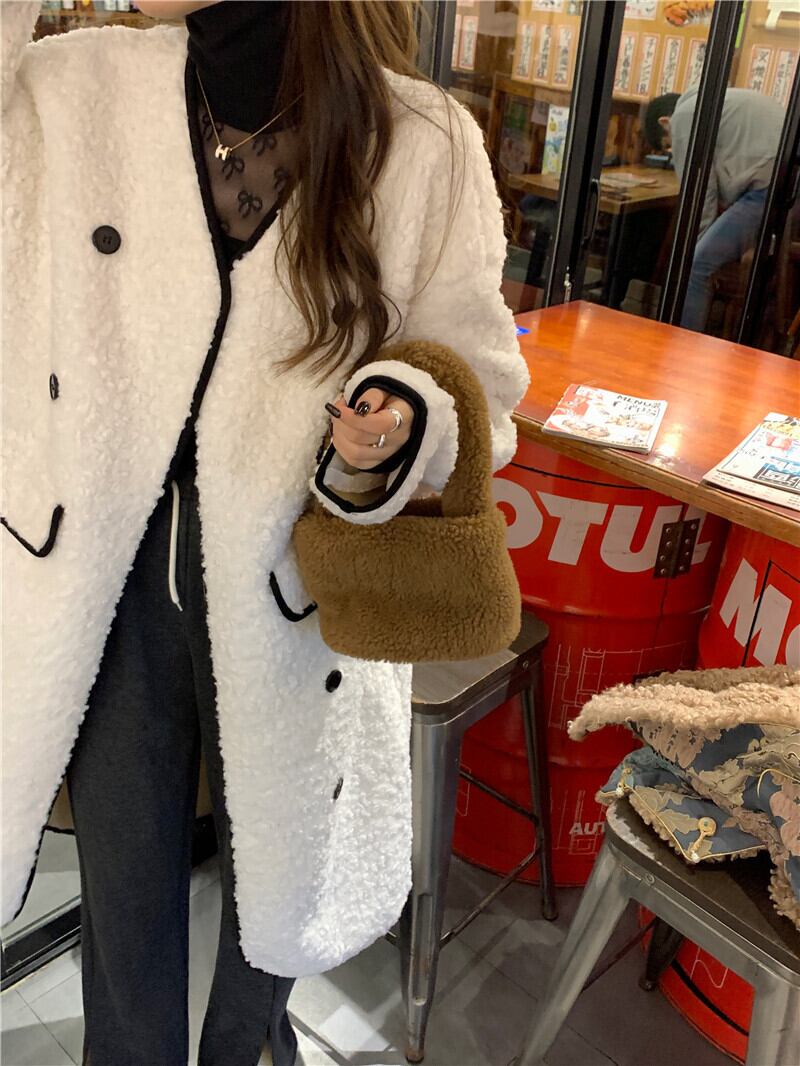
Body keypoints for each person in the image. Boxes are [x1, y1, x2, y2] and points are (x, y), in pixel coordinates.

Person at [0, 2, 529, 1065]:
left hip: (296, 575)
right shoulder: (73, 82)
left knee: (277, 891)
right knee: (124, 892)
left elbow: (478, 379)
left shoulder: (421, 142)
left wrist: (398, 421)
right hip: (104, 565)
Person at [645, 86, 784, 332]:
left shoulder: (684, 117)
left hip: (769, 190)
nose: (673, 152)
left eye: (669, 145)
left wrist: (701, 242)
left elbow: (699, 193)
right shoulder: (712, 101)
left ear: (665, 122)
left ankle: (684, 343)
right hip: (782, 185)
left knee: (695, 265)